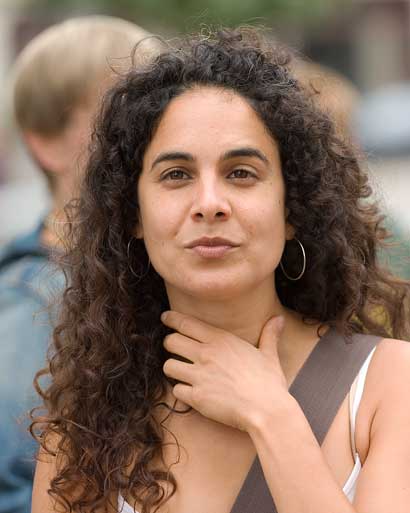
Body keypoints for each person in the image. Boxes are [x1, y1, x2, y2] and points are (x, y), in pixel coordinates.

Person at [31, 28, 410, 513]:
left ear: (291, 207)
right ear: (133, 215)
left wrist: (272, 418)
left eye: (241, 173)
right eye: (176, 175)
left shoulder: (387, 384)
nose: (209, 204)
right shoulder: (83, 432)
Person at [0, 16, 157, 513]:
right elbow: (22, 484)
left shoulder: (132, 273)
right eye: (118, 122)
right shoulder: (35, 299)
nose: (143, 139)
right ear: (45, 141)